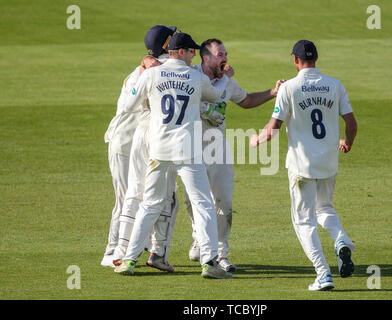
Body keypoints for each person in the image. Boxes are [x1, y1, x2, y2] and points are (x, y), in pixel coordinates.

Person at [114, 32, 234, 279]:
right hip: (187, 150)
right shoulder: (195, 76)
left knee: (150, 204)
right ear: (181, 52)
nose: (193, 56)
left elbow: (128, 105)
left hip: (159, 148)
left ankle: (128, 260)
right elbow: (216, 95)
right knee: (202, 204)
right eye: (191, 51)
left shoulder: (151, 74)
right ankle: (209, 263)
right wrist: (226, 79)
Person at [250, 40, 357, 291]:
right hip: (328, 162)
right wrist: (346, 141)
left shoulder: (289, 87)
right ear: (316, 58)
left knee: (303, 221)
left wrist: (257, 139)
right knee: (325, 209)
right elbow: (352, 124)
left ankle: (323, 274)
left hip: (301, 166)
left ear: (295, 61)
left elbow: (273, 128)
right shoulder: (335, 85)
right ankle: (341, 241)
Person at [184, 39, 285, 272]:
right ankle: (200, 236)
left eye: (226, 54)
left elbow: (246, 100)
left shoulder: (227, 82)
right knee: (193, 201)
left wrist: (273, 92)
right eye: (220, 54)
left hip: (217, 148)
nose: (225, 58)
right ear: (205, 58)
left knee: (224, 201)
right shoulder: (190, 75)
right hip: (190, 148)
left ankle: (221, 253)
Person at [109, 25, 180, 272]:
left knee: (133, 196)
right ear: (168, 44)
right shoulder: (175, 68)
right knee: (166, 198)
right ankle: (157, 253)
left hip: (136, 135)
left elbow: (128, 105)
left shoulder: (141, 70)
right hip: (159, 135)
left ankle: (120, 252)